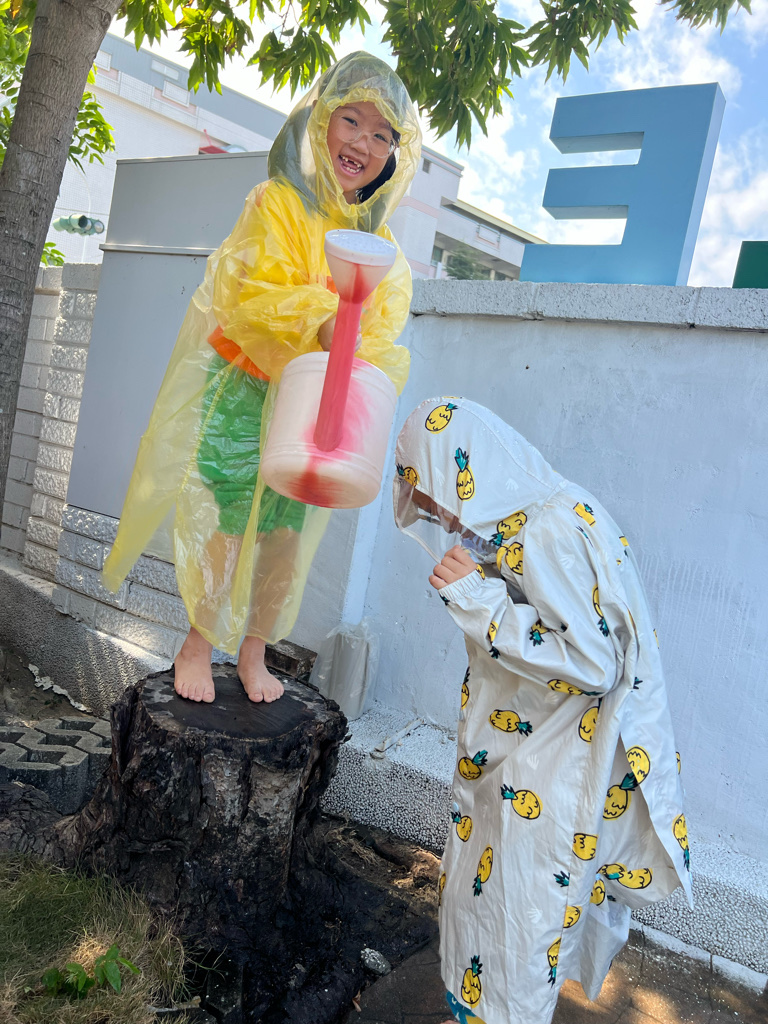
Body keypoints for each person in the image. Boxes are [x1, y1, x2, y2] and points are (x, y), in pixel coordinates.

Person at [102, 52, 421, 704]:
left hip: (314, 407)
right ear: (320, 120)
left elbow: (381, 337)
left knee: (283, 533)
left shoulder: (384, 250)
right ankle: (197, 644)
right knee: (227, 519)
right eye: (351, 121)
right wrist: (327, 321)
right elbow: (253, 295)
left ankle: (254, 652)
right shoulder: (276, 203)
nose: (362, 143)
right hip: (246, 386)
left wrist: (354, 346)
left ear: (395, 154)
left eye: (382, 134)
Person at [393, 397, 692, 1024]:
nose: (443, 520)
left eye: (437, 500)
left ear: (464, 466)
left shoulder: (548, 530)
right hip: (527, 757)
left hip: (550, 767)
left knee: (518, 924)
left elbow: (593, 663)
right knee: (495, 910)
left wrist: (476, 599)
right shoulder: (534, 519)